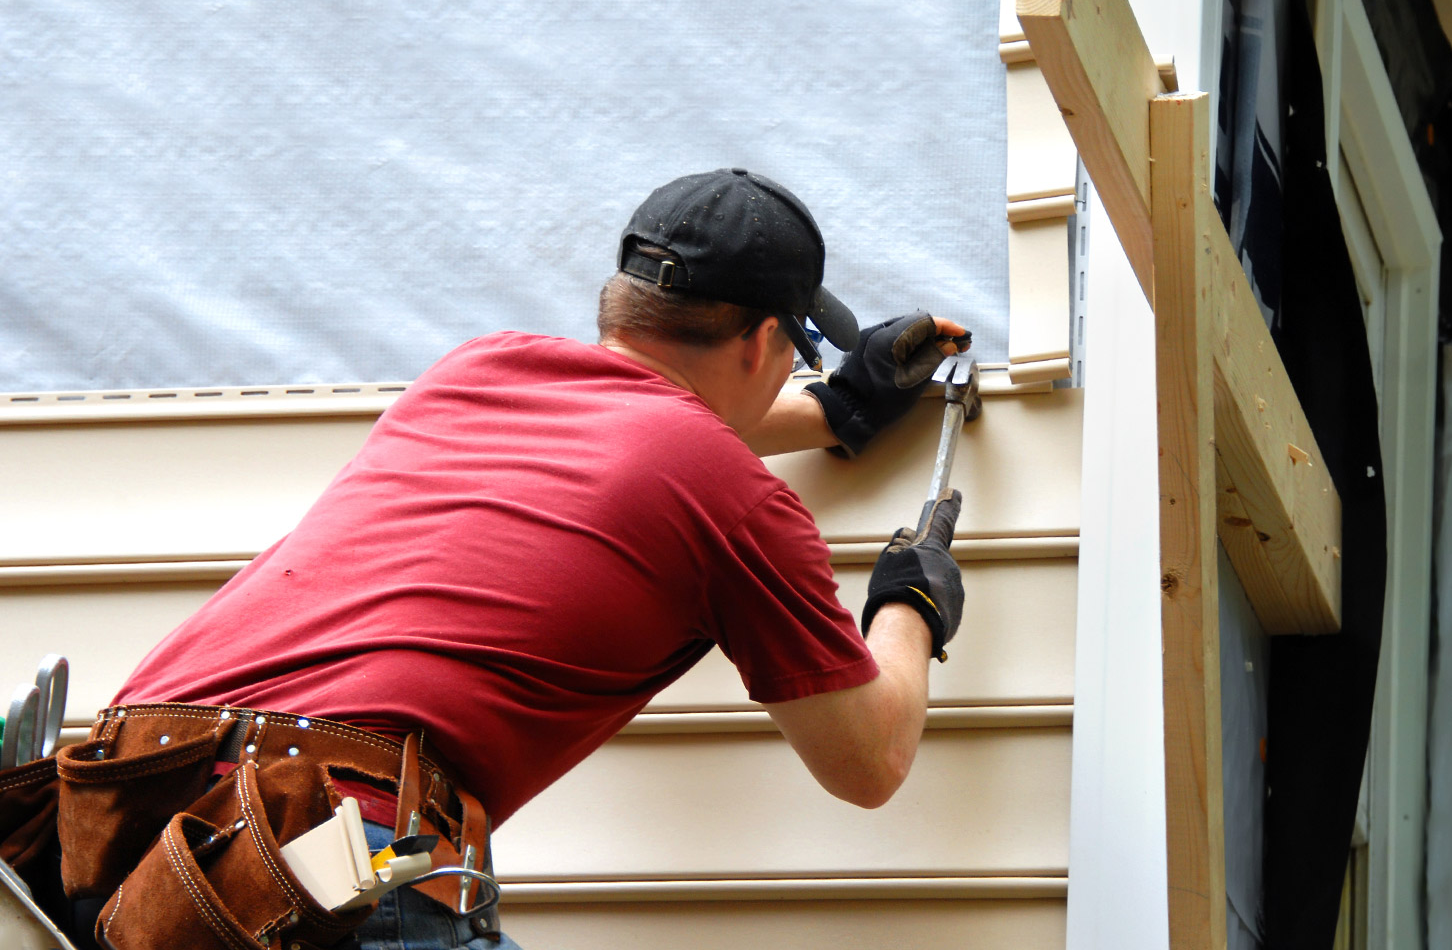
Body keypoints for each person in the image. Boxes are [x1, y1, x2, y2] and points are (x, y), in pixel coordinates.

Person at [59, 169, 970, 949]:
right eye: (800, 352)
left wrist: (835, 411)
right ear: (765, 340)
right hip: (327, 841)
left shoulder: (477, 372)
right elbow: (868, 762)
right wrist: (910, 604)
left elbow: (634, 428)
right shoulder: (734, 497)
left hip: (129, 813)